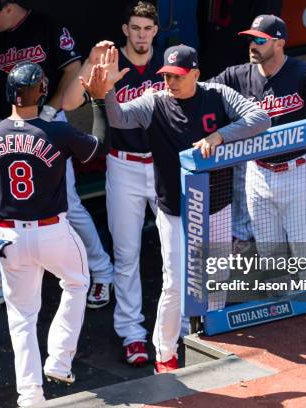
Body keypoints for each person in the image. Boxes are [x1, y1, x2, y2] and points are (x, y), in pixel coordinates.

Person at [82, 45, 270, 372]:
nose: (171, 81)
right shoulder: (155, 101)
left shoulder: (217, 94)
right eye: (167, 75)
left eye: (178, 76)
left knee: (216, 280)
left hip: (218, 206)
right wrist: (105, 94)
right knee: (175, 284)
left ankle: (209, 343)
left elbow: (261, 118)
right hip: (175, 211)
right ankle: (165, 355)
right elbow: (119, 118)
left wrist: (219, 137)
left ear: (195, 74)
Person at [0, 0, 113, 312]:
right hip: (6, 124)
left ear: (8, 7)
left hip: (48, 121)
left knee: (67, 203)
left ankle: (101, 271)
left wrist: (51, 108)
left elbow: (73, 69)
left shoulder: (47, 26)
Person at [0, 61, 101, 407]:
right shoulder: (55, 131)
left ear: (9, 94)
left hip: (9, 236)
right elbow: (95, 147)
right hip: (52, 231)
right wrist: (98, 102)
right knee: (77, 282)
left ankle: (30, 396)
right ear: (41, 91)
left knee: (22, 318)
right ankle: (58, 359)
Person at [62, 1, 164, 366]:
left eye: (147, 28)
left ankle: (180, 325)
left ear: (155, 30)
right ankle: (132, 334)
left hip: (162, 164)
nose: (141, 34)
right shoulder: (109, 64)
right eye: (135, 28)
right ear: (125, 29)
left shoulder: (168, 60)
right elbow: (70, 102)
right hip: (124, 167)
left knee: (175, 251)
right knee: (126, 256)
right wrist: (91, 62)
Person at [209, 15, 306, 262]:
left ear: (279, 43)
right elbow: (201, 93)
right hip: (258, 174)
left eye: (259, 40)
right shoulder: (237, 75)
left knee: (304, 253)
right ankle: (280, 299)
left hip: (299, 171)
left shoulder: (303, 71)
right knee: (269, 253)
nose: (252, 46)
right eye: (250, 40)